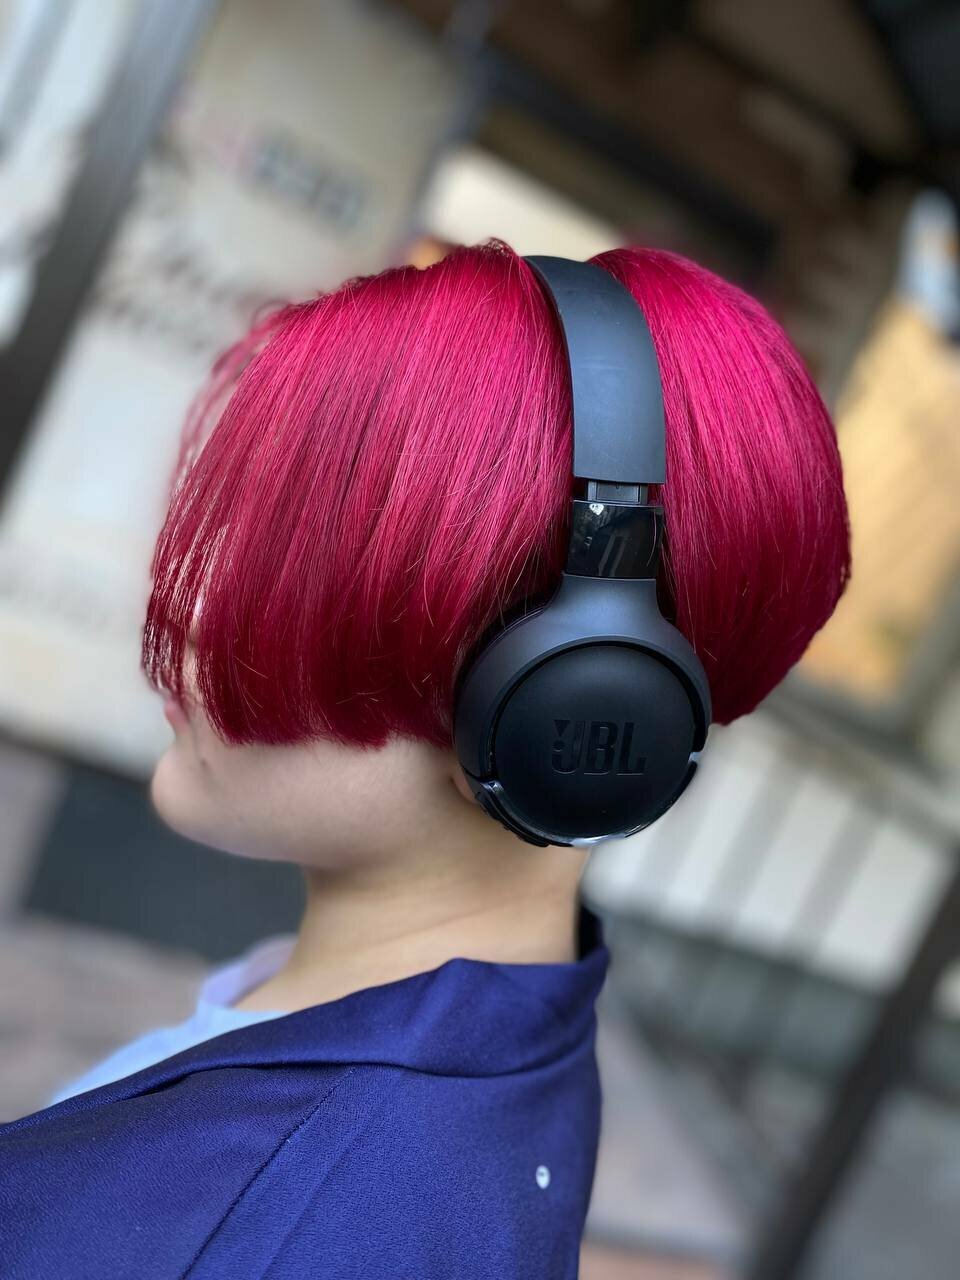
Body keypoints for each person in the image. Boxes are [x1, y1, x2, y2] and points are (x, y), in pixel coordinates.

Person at [0, 240, 850, 1278]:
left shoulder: (259, 1231)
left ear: (557, 712)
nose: (192, 605)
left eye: (284, 571)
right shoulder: (511, 1032)